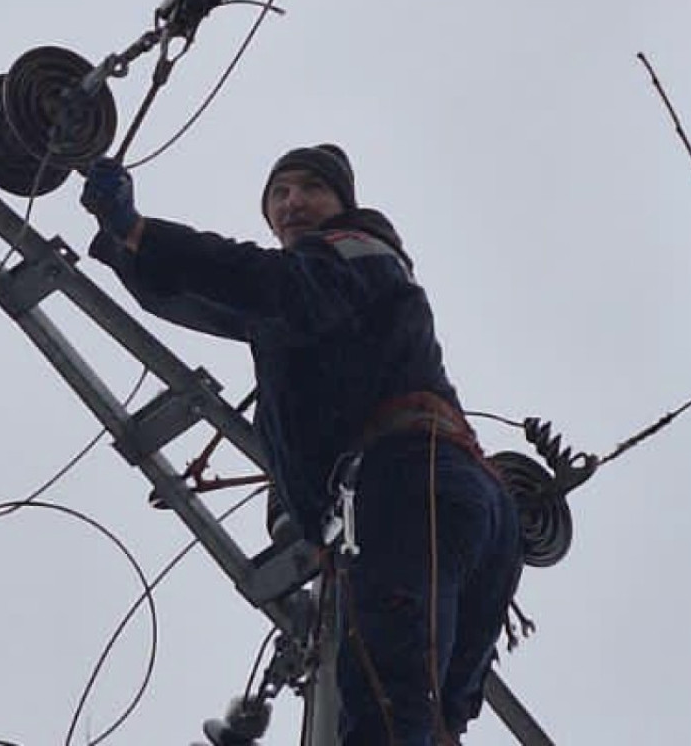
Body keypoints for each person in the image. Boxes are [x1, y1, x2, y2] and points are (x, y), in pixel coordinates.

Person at [80, 144, 523, 745]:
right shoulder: (304, 299)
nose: (292, 203)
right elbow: (206, 300)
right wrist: (129, 245)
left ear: (342, 203)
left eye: (310, 188)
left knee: (386, 716)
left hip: (411, 488)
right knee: (430, 721)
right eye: (278, 194)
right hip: (460, 505)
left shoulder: (359, 251)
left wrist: (140, 230)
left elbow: (258, 280)